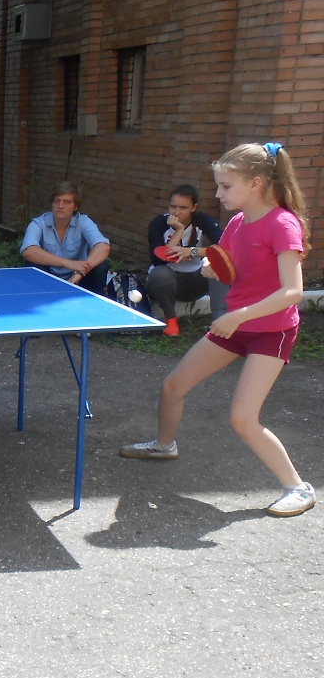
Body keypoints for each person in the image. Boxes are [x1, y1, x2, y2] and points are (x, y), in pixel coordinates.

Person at [120, 142, 314, 517]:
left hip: (269, 330)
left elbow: (293, 291)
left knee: (242, 418)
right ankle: (164, 445)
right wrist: (211, 267)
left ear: (255, 183)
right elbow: (226, 264)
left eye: (225, 186)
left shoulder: (282, 223)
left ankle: (298, 487)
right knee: (172, 386)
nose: (217, 193)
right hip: (236, 323)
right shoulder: (239, 223)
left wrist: (238, 316)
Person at [146, 185, 226, 336]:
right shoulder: (158, 223)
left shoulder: (202, 220)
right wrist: (179, 231)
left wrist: (192, 252)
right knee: (161, 273)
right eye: (173, 206)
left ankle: (220, 322)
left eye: (183, 207)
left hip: (193, 280)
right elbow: (158, 261)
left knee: (218, 266)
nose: (176, 212)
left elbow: (223, 248)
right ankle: (171, 322)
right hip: (164, 282)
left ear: (193, 207)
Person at [20, 181, 112, 294]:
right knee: (31, 265)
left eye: (67, 202)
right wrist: (67, 263)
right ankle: (38, 298)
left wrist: (79, 273)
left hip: (78, 279)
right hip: (47, 277)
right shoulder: (39, 223)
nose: (60, 206)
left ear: (75, 207)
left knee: (100, 266)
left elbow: (103, 247)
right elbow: (28, 251)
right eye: (57, 201)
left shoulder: (83, 222)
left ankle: (90, 301)